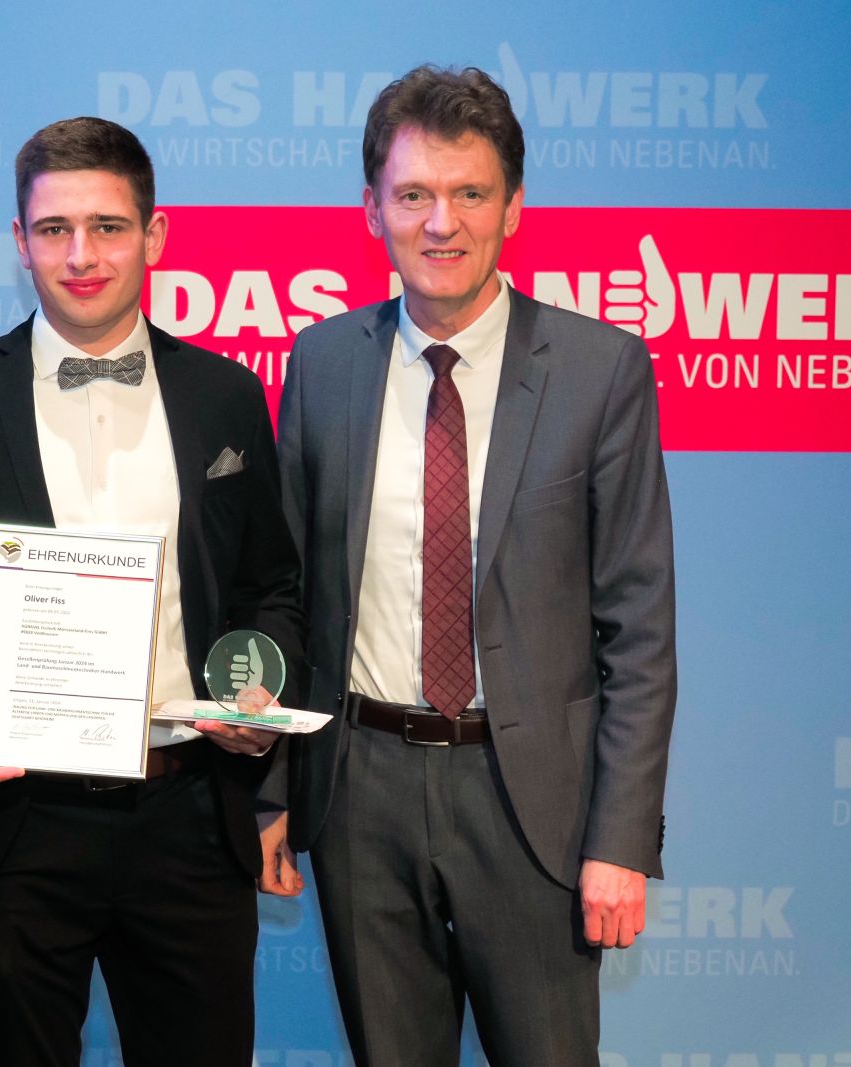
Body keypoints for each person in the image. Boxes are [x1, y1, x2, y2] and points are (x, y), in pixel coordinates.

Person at [0, 116, 304, 1066]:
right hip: (11, 824)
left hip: (190, 819)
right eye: (54, 229)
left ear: (155, 235)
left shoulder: (226, 395)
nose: (81, 255)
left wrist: (259, 694)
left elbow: (271, 586)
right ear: (19, 242)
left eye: (107, 227)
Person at [258, 65, 677, 1065]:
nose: (440, 223)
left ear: (513, 207)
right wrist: (271, 792)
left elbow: (639, 631)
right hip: (359, 789)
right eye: (412, 194)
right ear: (371, 209)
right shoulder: (321, 365)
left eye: (469, 193)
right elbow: (287, 598)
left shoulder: (599, 371)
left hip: (530, 800)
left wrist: (620, 838)